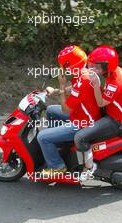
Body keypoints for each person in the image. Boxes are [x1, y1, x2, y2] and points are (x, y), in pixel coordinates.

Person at [37, 45, 101, 177]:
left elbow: (65, 109)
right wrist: (56, 91)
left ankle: (57, 167)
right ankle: (58, 145)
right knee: (50, 111)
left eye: (65, 66)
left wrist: (60, 85)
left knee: (42, 137)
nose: (63, 69)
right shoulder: (85, 73)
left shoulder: (82, 80)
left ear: (72, 65)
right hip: (84, 115)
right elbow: (74, 89)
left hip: (82, 124)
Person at [74, 45, 122, 182]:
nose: (92, 69)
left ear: (107, 67)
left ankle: (89, 168)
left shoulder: (114, 83)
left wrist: (95, 83)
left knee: (79, 137)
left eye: (96, 67)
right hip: (117, 112)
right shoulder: (119, 71)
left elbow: (100, 103)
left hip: (116, 120)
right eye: (91, 65)